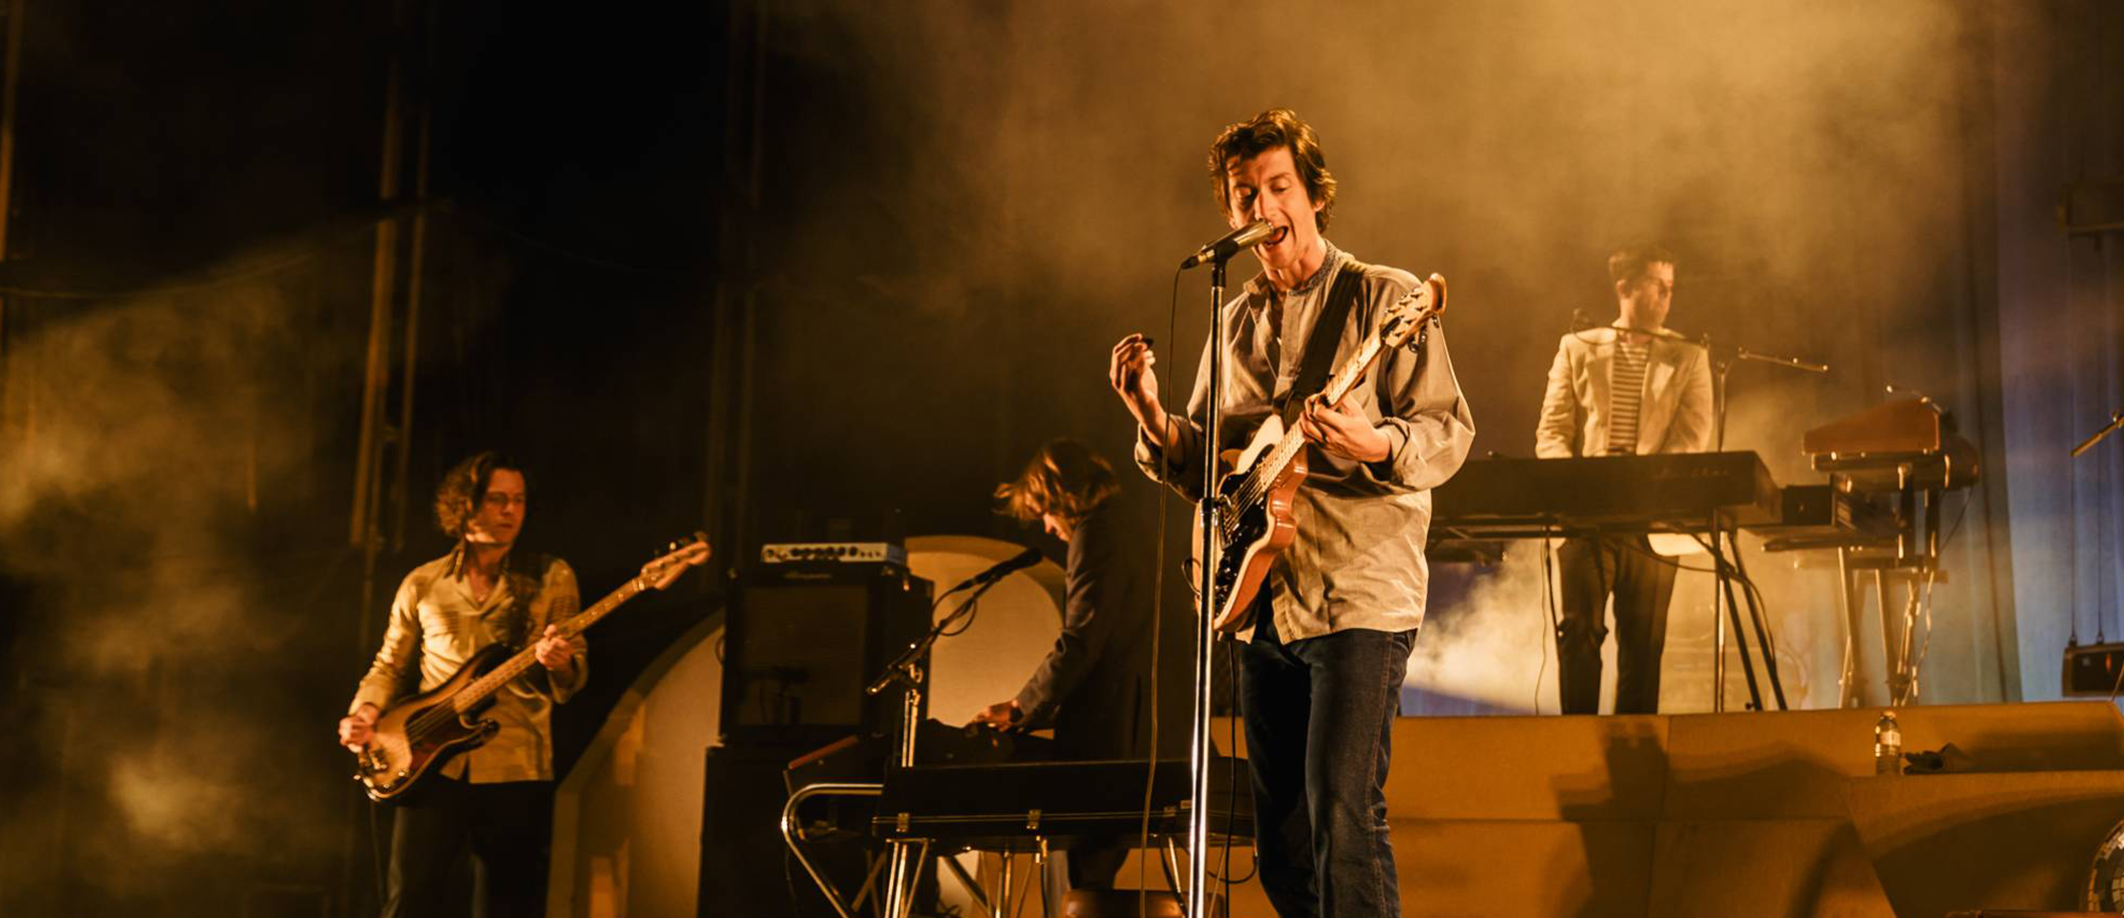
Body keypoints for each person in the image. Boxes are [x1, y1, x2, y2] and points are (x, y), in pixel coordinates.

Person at [1108, 108, 1475, 918]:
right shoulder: (1231, 322)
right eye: (1245, 195)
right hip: (1259, 602)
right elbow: (1214, 469)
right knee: (1279, 846)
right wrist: (1151, 416)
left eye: (1279, 187)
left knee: (1342, 812)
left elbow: (1447, 432)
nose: (1263, 207)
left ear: (1314, 196)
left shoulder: (1386, 298)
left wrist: (1373, 442)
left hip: (1358, 595)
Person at [336, 451, 587, 918]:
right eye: (497, 499)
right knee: (409, 901)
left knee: (507, 905)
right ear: (464, 506)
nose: (511, 511)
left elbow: (572, 678)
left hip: (516, 763)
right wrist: (365, 714)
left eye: (519, 500)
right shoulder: (423, 583)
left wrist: (560, 664)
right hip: (428, 761)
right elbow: (389, 665)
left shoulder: (551, 576)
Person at [973, 438, 1190, 891]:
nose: (1048, 528)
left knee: (1080, 874)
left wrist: (1021, 706)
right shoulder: (1138, 527)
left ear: (1064, 497)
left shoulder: (1096, 535)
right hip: (1160, 726)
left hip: (1113, 737)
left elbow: (1082, 639)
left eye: (1046, 513)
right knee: (1096, 872)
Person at [1534, 244, 1714, 714]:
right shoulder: (1578, 347)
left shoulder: (1688, 355)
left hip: (1655, 520)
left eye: (1671, 288)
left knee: (1644, 644)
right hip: (1586, 516)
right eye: (1657, 286)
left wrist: (1644, 485)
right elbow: (1552, 432)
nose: (1666, 297)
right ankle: (1576, 740)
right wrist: (1570, 488)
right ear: (1625, 288)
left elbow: (1692, 438)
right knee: (1579, 631)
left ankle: (1633, 748)